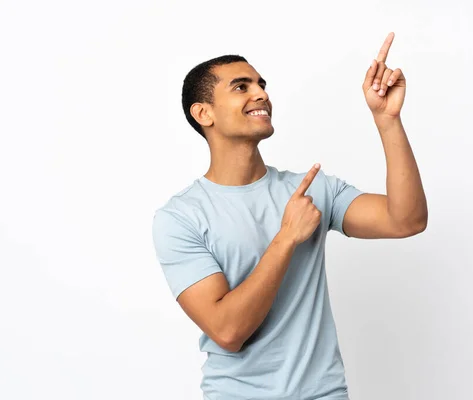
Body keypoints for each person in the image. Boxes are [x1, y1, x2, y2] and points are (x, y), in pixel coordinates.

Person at [152, 32, 428, 400]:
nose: (261, 93)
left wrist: (387, 120)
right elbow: (229, 331)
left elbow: (406, 220)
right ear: (204, 113)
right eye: (241, 86)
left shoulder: (313, 190)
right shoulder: (180, 217)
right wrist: (286, 237)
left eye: (261, 84)